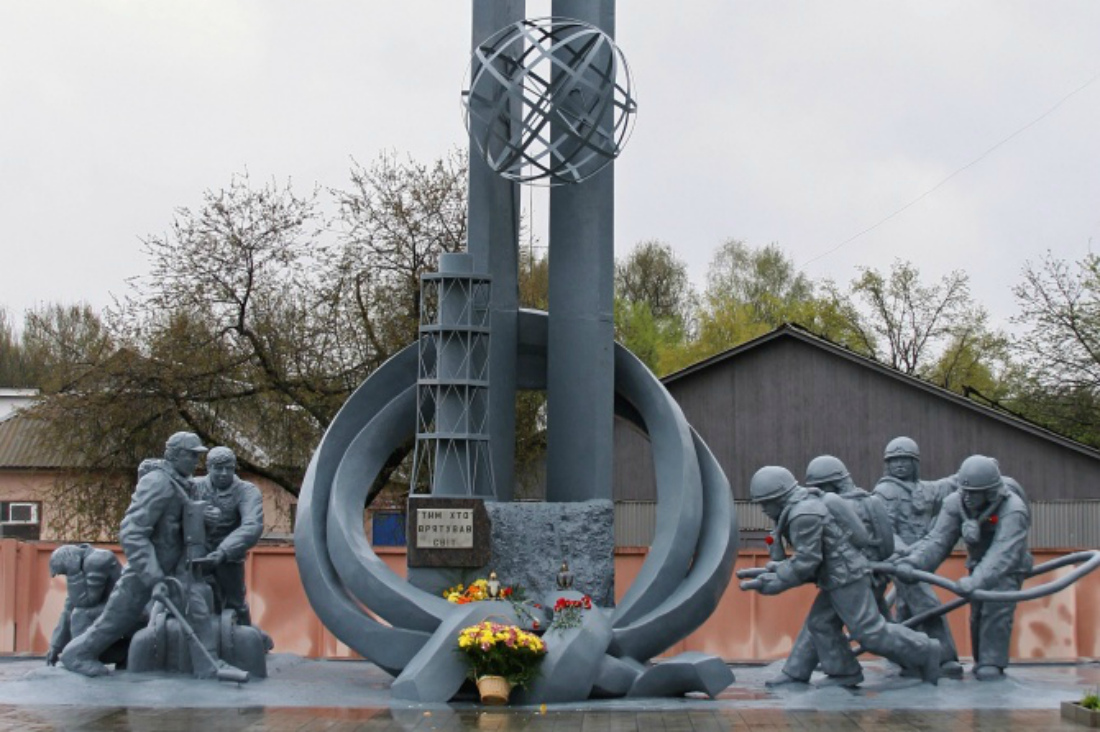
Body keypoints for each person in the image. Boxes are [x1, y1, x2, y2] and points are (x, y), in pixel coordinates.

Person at [746, 466, 941, 686]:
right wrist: (776, 569)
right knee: (821, 623)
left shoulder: (804, 514)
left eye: (765, 503)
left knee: (869, 631)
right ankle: (844, 673)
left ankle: (926, 650)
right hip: (836, 576)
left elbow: (806, 562)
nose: (763, 509)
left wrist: (776, 583)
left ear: (779, 497)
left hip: (846, 577)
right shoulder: (801, 506)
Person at [60, 432, 218, 677]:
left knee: (196, 610)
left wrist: (205, 519)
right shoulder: (158, 482)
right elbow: (132, 532)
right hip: (148, 568)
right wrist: (153, 577)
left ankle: (209, 667)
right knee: (118, 618)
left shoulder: (182, 483)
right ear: (175, 455)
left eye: (197, 456)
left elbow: (178, 525)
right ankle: (76, 654)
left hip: (174, 568)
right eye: (191, 455)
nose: (196, 462)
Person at [894, 455, 1032, 681]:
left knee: (996, 609)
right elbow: (938, 540)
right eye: (964, 491)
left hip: (1009, 566)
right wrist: (914, 562)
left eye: (973, 493)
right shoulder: (955, 503)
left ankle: (992, 662)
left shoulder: (1013, 509)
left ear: (989, 492)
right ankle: (977, 661)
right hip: (979, 564)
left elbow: (1003, 553)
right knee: (977, 615)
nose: (967, 497)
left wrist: (975, 581)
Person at [767, 456, 895, 687]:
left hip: (863, 575)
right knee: (823, 622)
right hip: (841, 574)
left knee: (862, 630)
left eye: (823, 486)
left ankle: (922, 655)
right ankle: (803, 671)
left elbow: (886, 545)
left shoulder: (868, 503)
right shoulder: (818, 507)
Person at [872, 437, 963, 677]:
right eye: (895, 460)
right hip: (900, 560)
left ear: (915, 462)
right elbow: (885, 530)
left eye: (905, 459)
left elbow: (949, 485)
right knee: (927, 604)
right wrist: (903, 553)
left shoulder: (925, 489)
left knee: (906, 607)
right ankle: (945, 659)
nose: (900, 465)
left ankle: (906, 656)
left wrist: (977, 469)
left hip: (923, 555)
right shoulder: (884, 492)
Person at [190, 446, 264, 625]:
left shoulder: (246, 491)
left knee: (235, 603)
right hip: (199, 551)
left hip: (230, 554)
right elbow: (174, 515)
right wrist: (198, 514)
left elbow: (252, 525)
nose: (224, 473)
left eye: (229, 468)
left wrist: (223, 551)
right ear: (208, 467)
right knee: (192, 597)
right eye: (218, 468)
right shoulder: (193, 487)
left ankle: (247, 636)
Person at [46, 544, 123, 667]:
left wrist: (73, 573)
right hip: (112, 609)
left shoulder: (97, 559)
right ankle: (81, 655)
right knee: (77, 612)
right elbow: (68, 609)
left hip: (132, 611)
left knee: (81, 614)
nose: (67, 575)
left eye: (65, 571)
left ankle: (80, 658)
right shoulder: (83, 564)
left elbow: (86, 602)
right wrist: (55, 646)